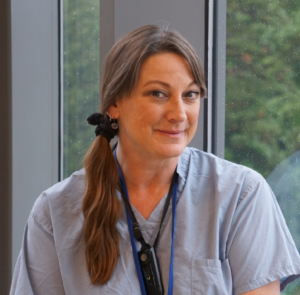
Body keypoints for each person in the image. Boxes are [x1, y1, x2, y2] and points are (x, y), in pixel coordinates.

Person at [10, 25, 300, 295]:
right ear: (114, 104)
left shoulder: (241, 195)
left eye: (190, 95)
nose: (179, 114)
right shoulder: (55, 214)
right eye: (158, 94)